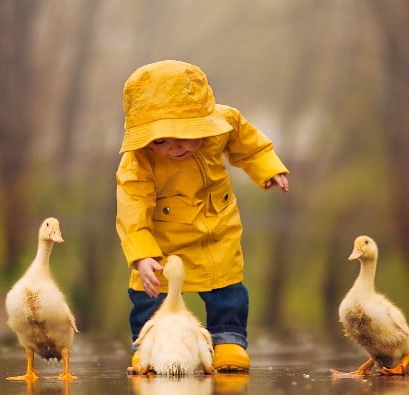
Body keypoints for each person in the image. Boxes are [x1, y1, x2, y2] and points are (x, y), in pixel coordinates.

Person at [115, 59, 290, 373]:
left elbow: (250, 146)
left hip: (216, 230)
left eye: (184, 135)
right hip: (163, 238)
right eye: (161, 141)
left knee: (227, 291)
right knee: (150, 294)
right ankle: (147, 346)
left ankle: (228, 341)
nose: (175, 147)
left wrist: (268, 168)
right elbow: (131, 207)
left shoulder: (224, 123)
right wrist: (142, 255)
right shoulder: (137, 162)